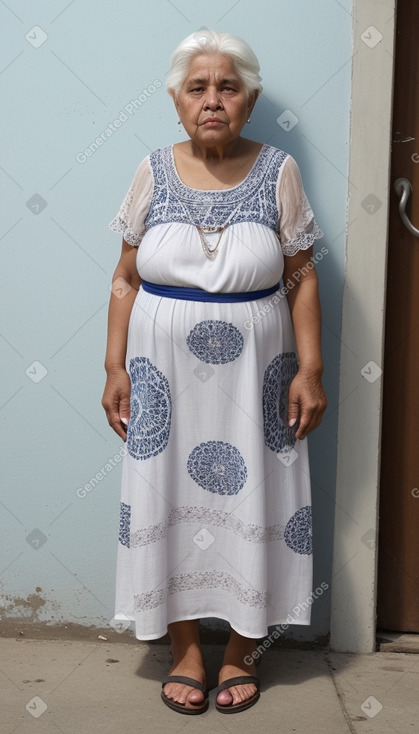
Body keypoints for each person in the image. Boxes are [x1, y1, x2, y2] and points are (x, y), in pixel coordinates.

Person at [102, 29, 327, 715]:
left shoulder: (278, 170)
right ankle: (183, 648)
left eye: (226, 87)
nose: (211, 100)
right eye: (196, 88)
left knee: (252, 499)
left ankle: (238, 650)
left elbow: (302, 275)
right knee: (163, 494)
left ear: (248, 99)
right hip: (161, 374)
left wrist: (310, 367)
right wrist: (113, 364)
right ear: (176, 99)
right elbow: (123, 278)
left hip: (256, 376)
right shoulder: (151, 169)